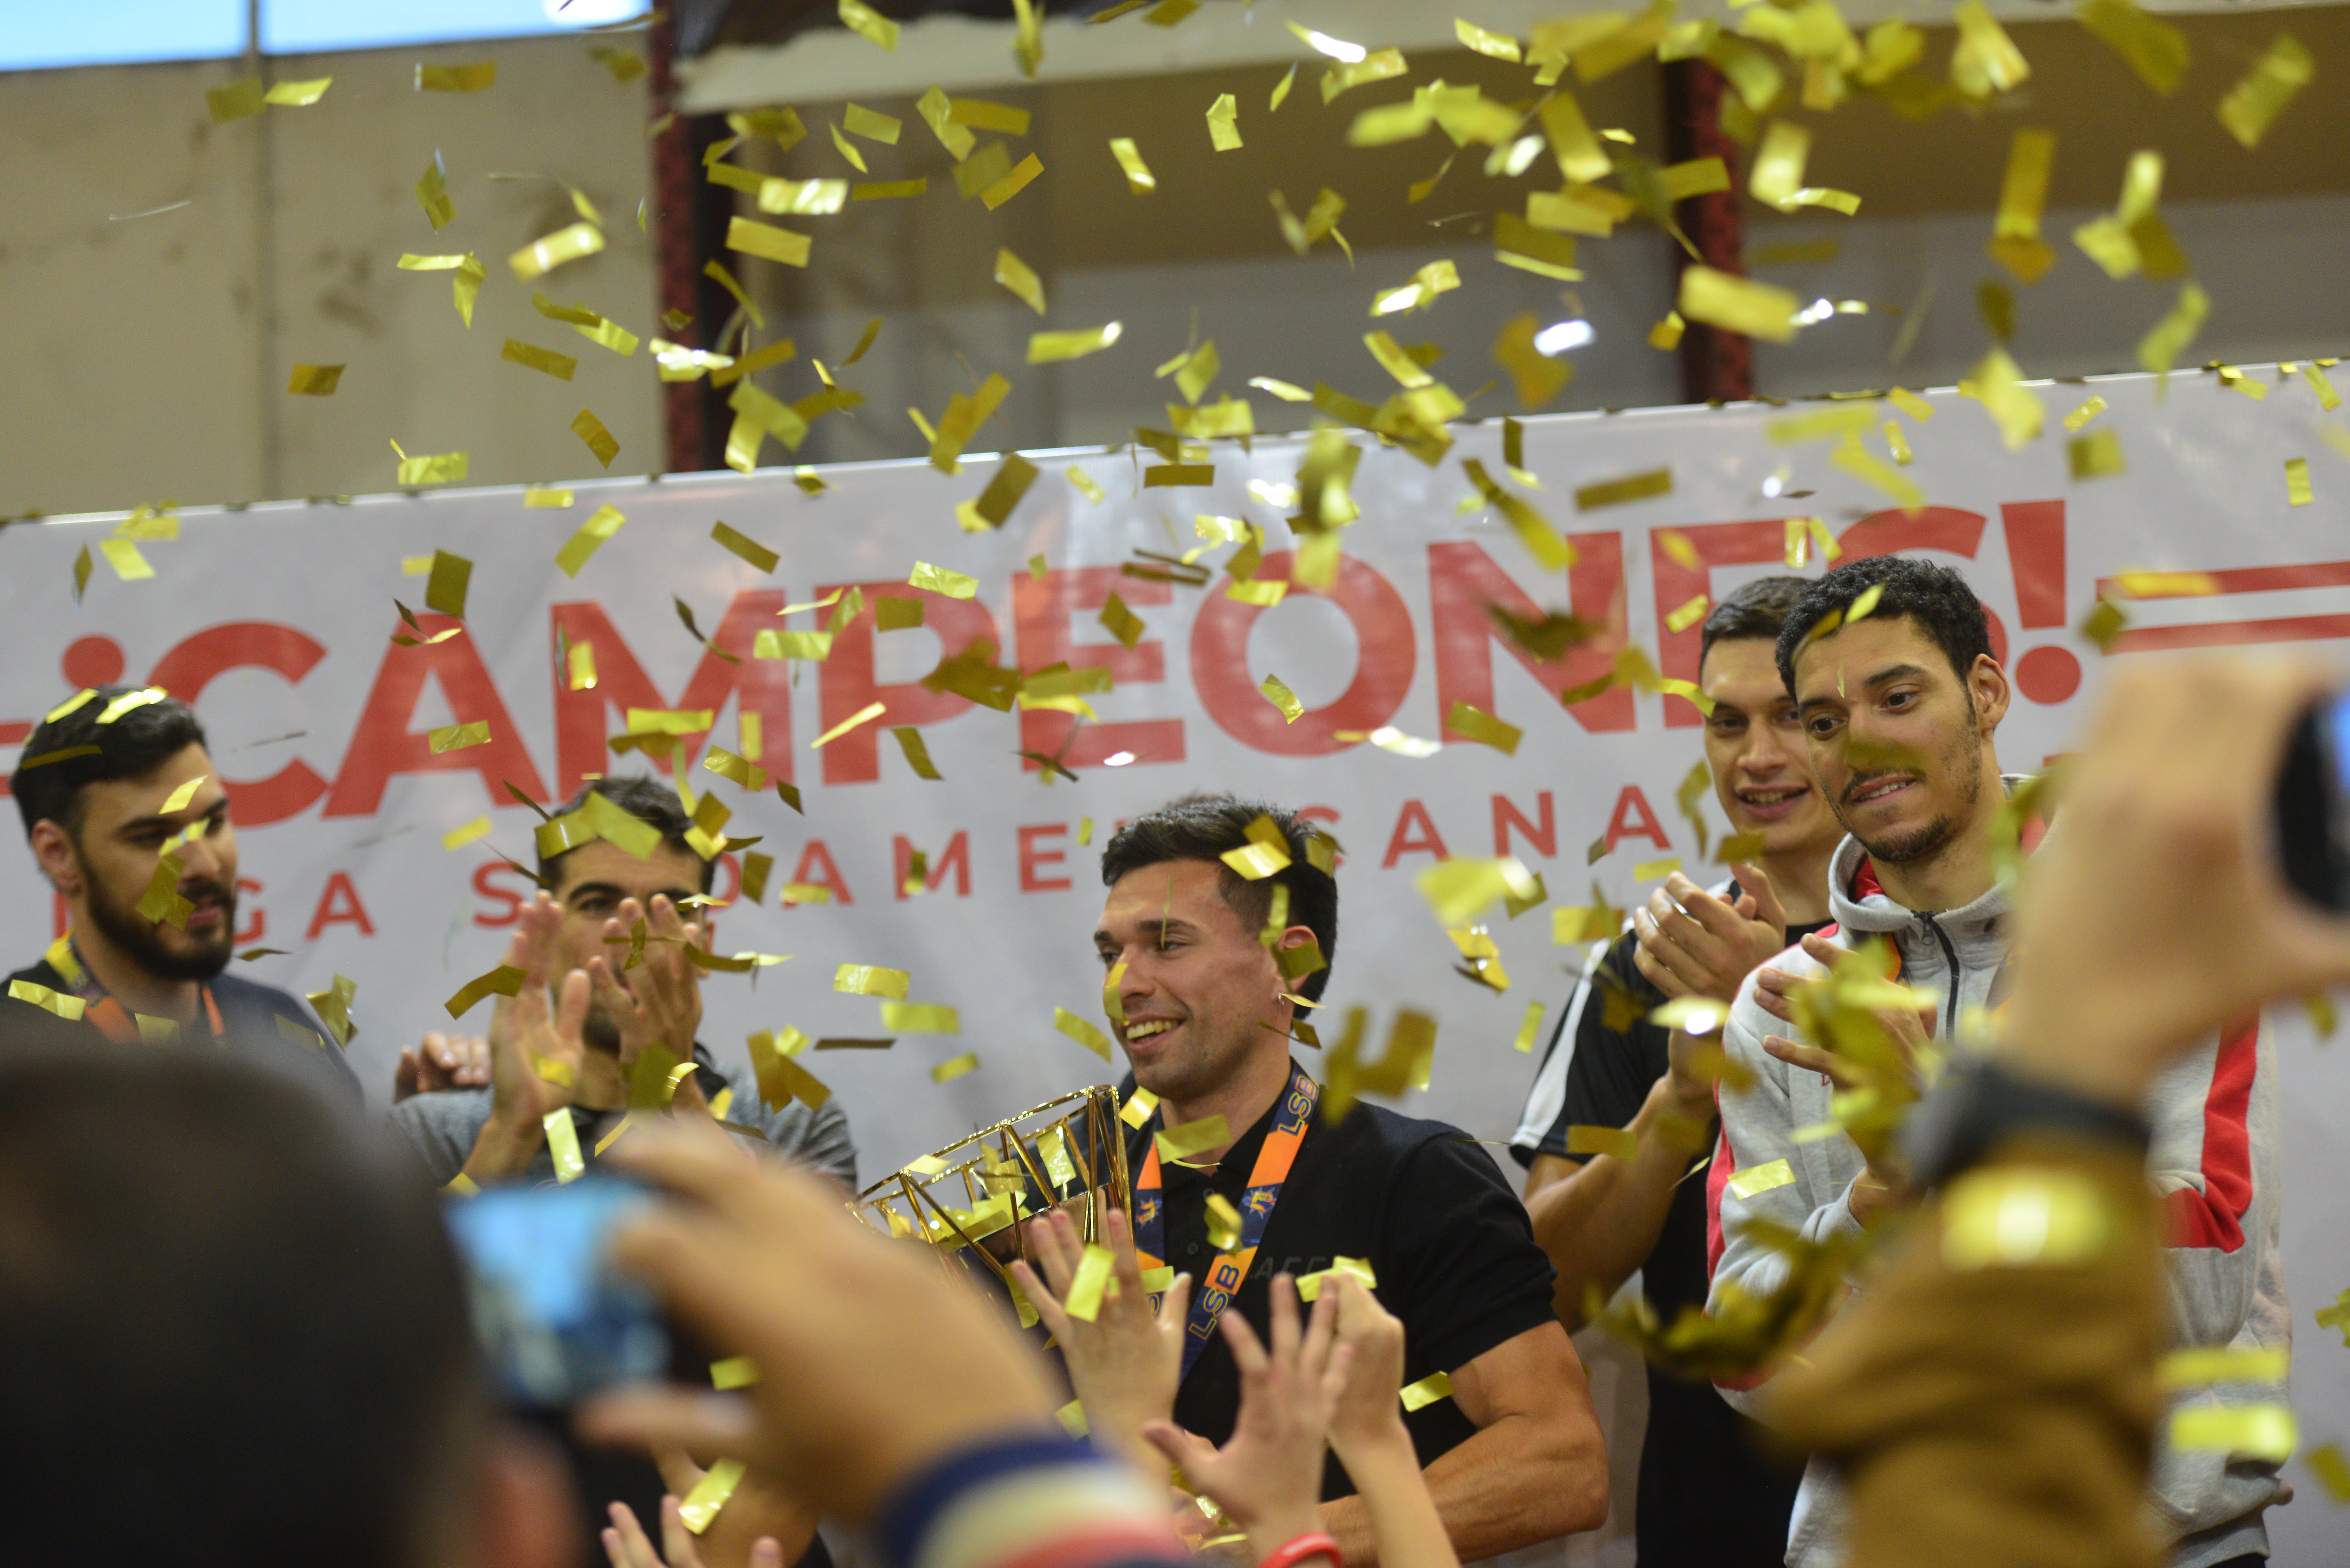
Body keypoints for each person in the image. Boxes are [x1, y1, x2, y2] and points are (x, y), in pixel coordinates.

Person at [1707, 557, 2287, 1568]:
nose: (1865, 742)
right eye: (1828, 718)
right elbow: (1746, 1360)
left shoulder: (2151, 945)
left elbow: (2200, 1292)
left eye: (1898, 696)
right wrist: (1869, 1204)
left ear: (1984, 693)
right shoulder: (1782, 1005)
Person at [1067, 794, 1609, 1565]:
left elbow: (1562, 1459)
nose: (1125, 983)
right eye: (1110, 952)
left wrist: (1272, 1544)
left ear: (1290, 961)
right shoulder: (1066, 1181)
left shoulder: (1415, 1176)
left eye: (1166, 944)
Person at [1513, 576, 1841, 1566]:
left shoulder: (1956, 942)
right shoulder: (1650, 961)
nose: (1757, 757)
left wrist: (1770, 1012)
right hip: (1717, 1525)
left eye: (1793, 717)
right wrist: (1682, 1101)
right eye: (1725, 721)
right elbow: (1547, 1289)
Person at [390, 775, 856, 1194]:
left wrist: (677, 1093)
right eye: (597, 904)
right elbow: (399, 1291)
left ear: (706, 946)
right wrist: (512, 1132)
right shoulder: (434, 1132)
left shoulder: (788, 1119)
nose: (633, 938)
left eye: (669, 909)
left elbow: (826, 1289)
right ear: (546, 936)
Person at [5, 683, 356, 1098]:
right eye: (154, 837)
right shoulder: (14, 1062)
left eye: (213, 824)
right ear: (59, 854)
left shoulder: (286, 1030)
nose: (206, 865)